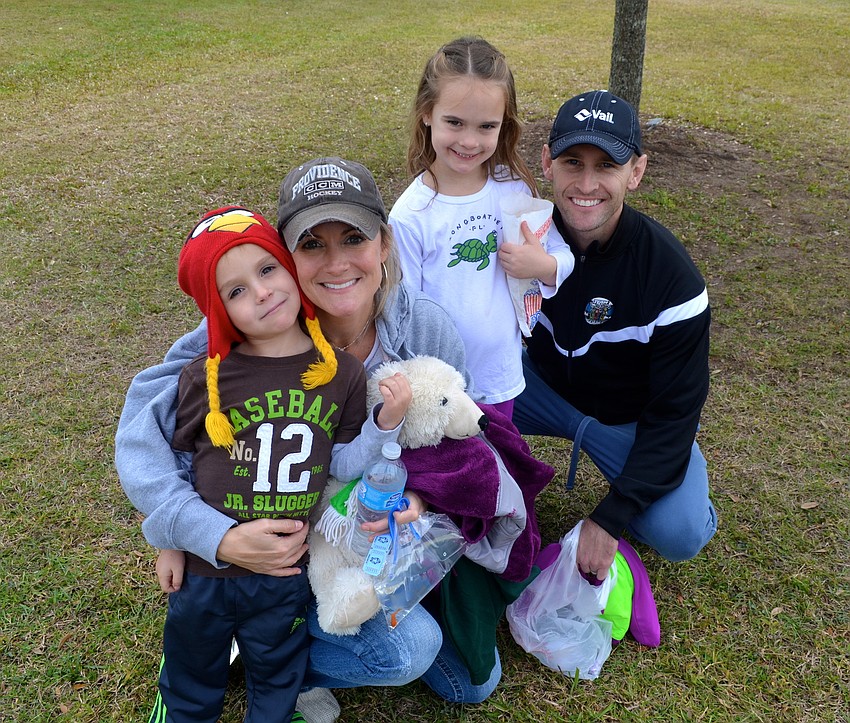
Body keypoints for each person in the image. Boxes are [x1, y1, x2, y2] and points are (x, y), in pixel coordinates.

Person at [115, 158, 500, 723]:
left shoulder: (424, 327)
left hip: (359, 540)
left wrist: (420, 500)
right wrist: (192, 533)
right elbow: (158, 433)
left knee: (469, 682)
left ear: (384, 242)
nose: (337, 262)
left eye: (354, 238)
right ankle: (225, 653)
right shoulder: (248, 322)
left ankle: (266, 658)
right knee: (409, 649)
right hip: (262, 543)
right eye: (312, 245)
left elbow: (460, 447)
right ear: (287, 257)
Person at [141, 205, 412, 723]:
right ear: (218, 312)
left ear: (288, 268)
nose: (262, 292)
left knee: (278, 672)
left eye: (267, 269)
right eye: (236, 291)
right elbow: (178, 461)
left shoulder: (341, 374)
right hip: (205, 568)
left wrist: (385, 424)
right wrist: (170, 540)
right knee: (191, 668)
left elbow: (343, 462)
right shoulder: (206, 376)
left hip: (286, 568)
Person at [512, 90, 718, 584]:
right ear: (547, 162)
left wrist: (610, 517)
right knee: (458, 398)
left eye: (607, 165)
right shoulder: (520, 237)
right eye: (572, 162)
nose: (586, 184)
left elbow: (675, 413)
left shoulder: (671, 277)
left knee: (680, 531)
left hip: (630, 421)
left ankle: (679, 484)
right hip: (538, 390)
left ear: (636, 172)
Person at [389, 36, 574, 419]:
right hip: (440, 390)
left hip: (500, 374)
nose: (469, 141)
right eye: (455, 122)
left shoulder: (513, 189)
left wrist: (543, 266)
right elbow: (404, 313)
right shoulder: (411, 215)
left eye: (486, 126)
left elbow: (561, 254)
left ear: (503, 125)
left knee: (498, 456)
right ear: (427, 113)